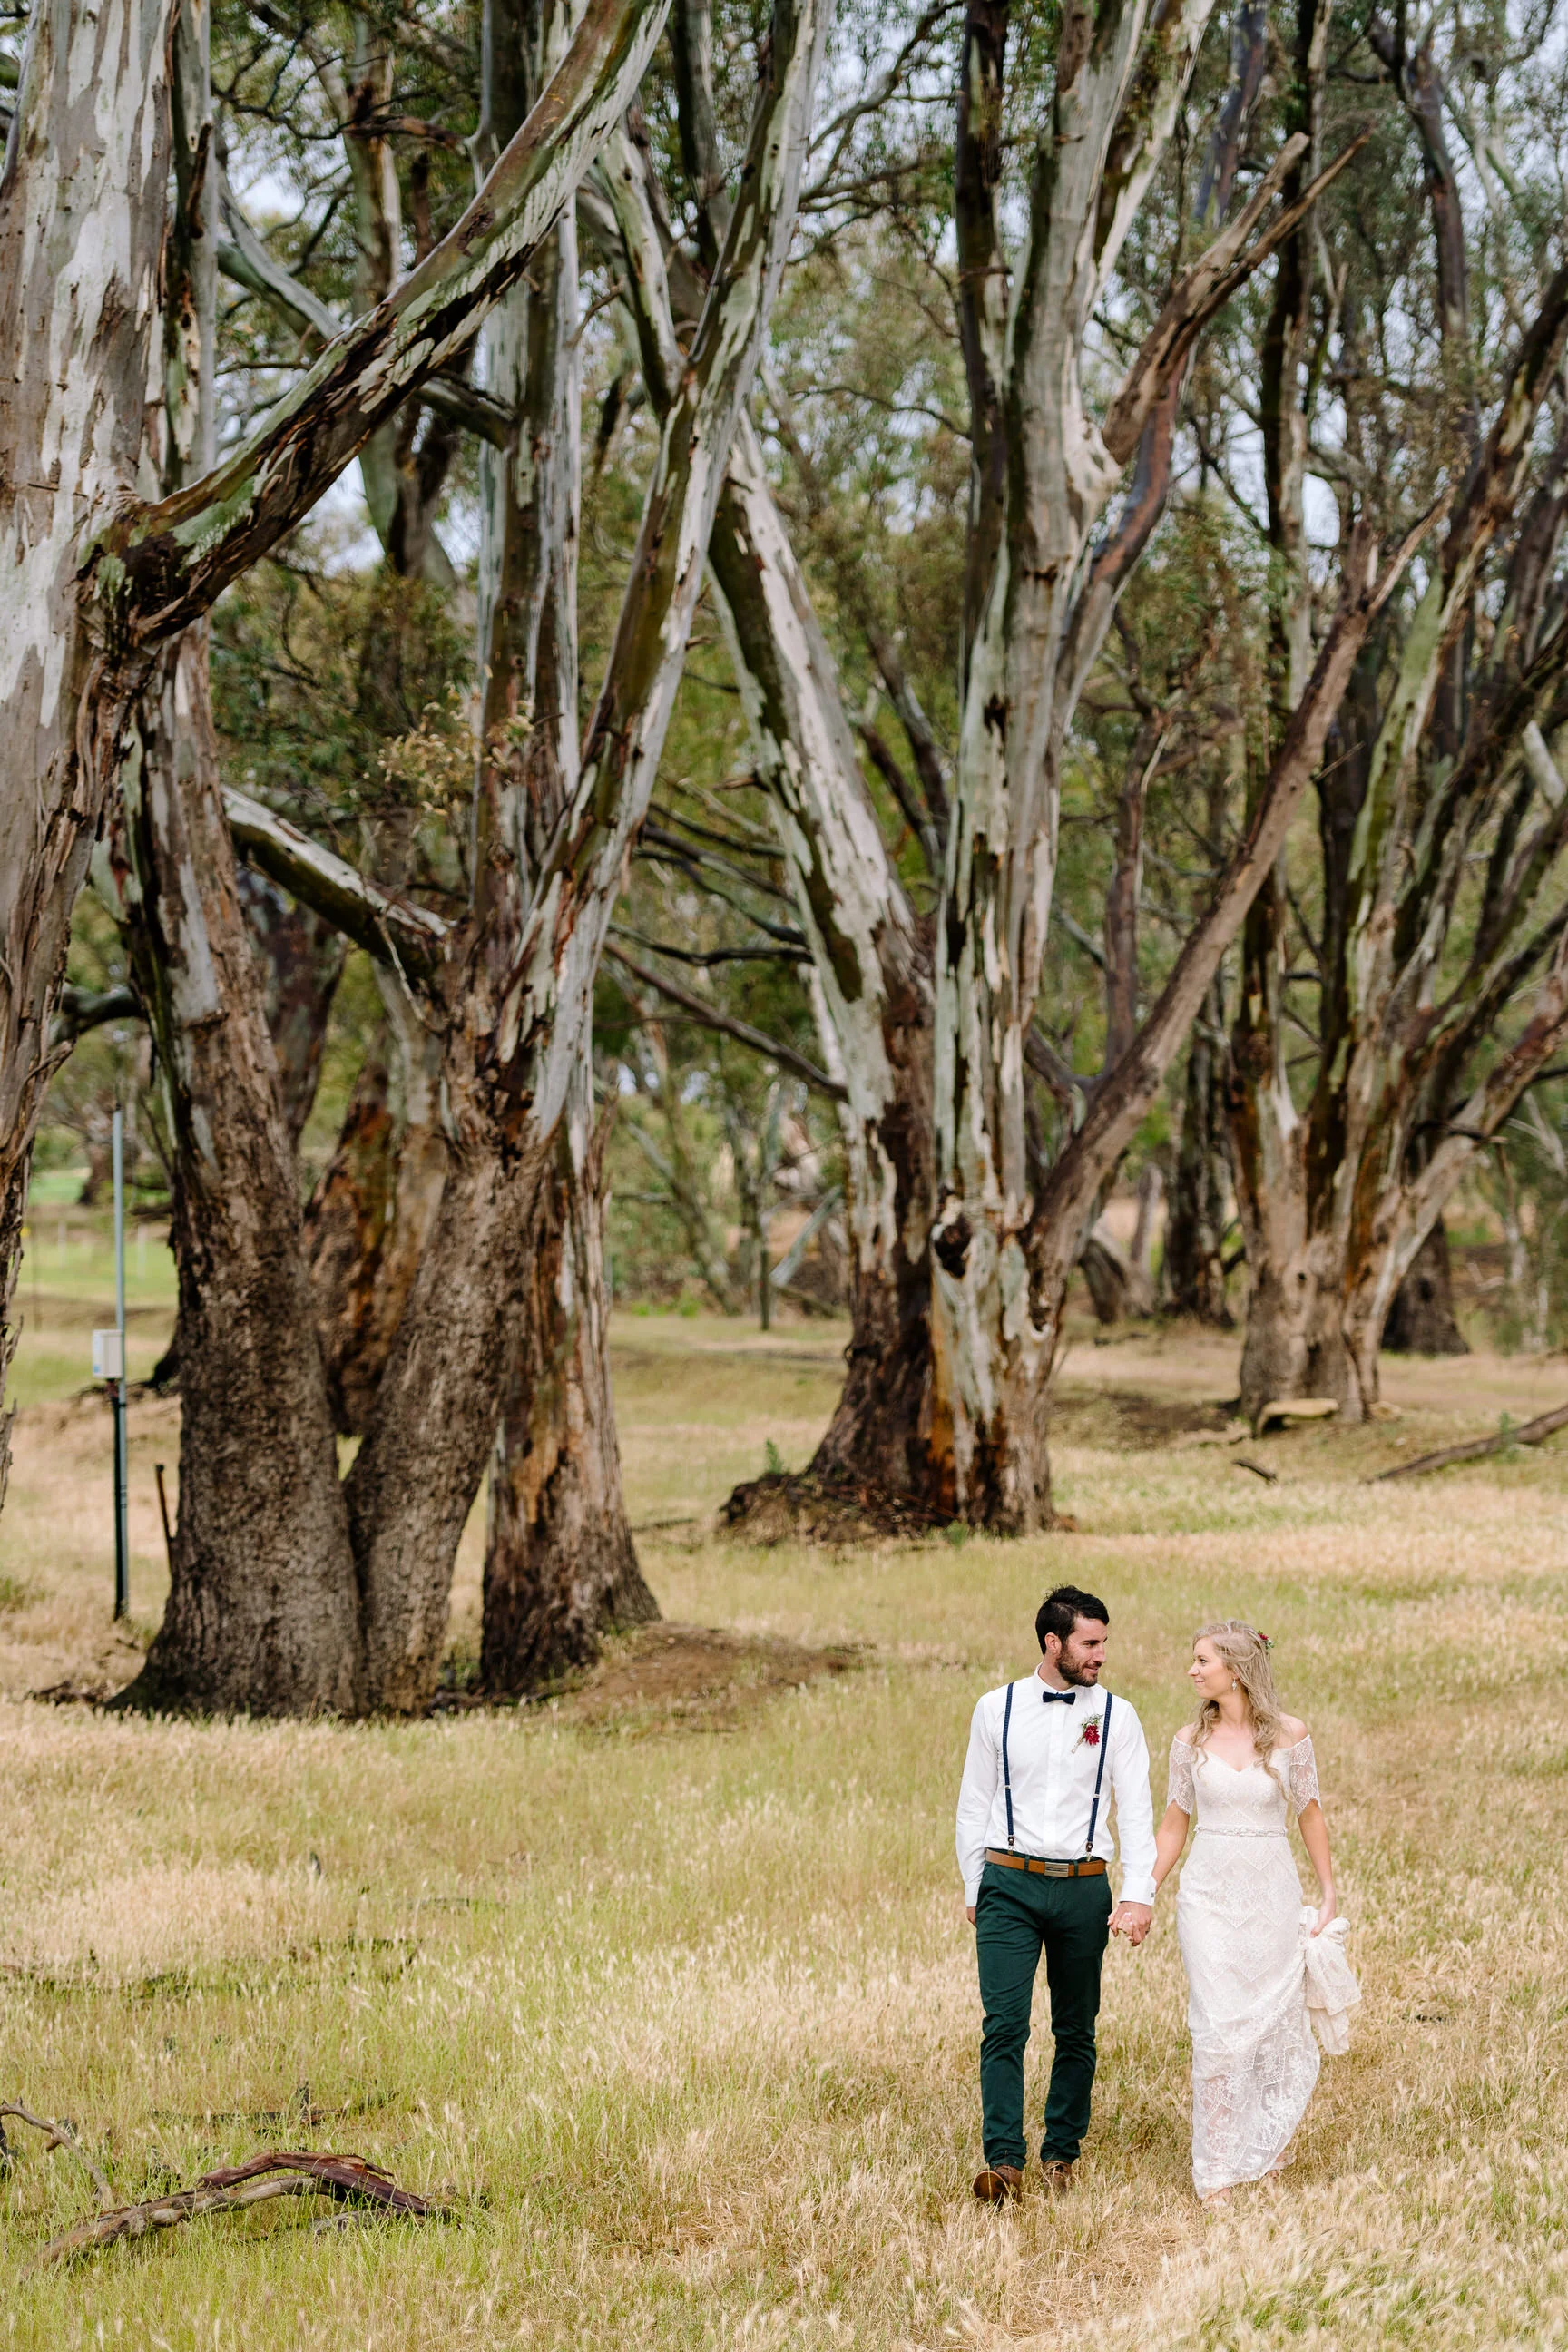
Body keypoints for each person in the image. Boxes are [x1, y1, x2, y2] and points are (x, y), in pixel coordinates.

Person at [955, 1584, 1155, 2203]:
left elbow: (1138, 1812)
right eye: (1089, 1643)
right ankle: (1005, 2165)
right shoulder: (996, 1708)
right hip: (1008, 1882)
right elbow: (974, 1802)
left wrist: (1139, 1893)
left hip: (1083, 1887)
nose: (1099, 1655)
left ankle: (1060, 2155)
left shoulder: (1117, 1715)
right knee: (1004, 2024)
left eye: (1102, 1643)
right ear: (1053, 1642)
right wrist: (974, 1885)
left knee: (1076, 2028)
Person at [1152, 1620, 1339, 2207]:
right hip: (1208, 1897)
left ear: (1235, 1668)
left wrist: (1328, 1891)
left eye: (1203, 1660)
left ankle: (1267, 2144)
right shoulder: (1189, 1740)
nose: (1193, 1670)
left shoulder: (1290, 1736)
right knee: (1216, 2028)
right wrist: (1144, 1890)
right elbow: (1174, 1823)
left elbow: (1309, 1813)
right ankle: (1216, 2172)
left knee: (1271, 2022)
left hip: (1271, 1893)